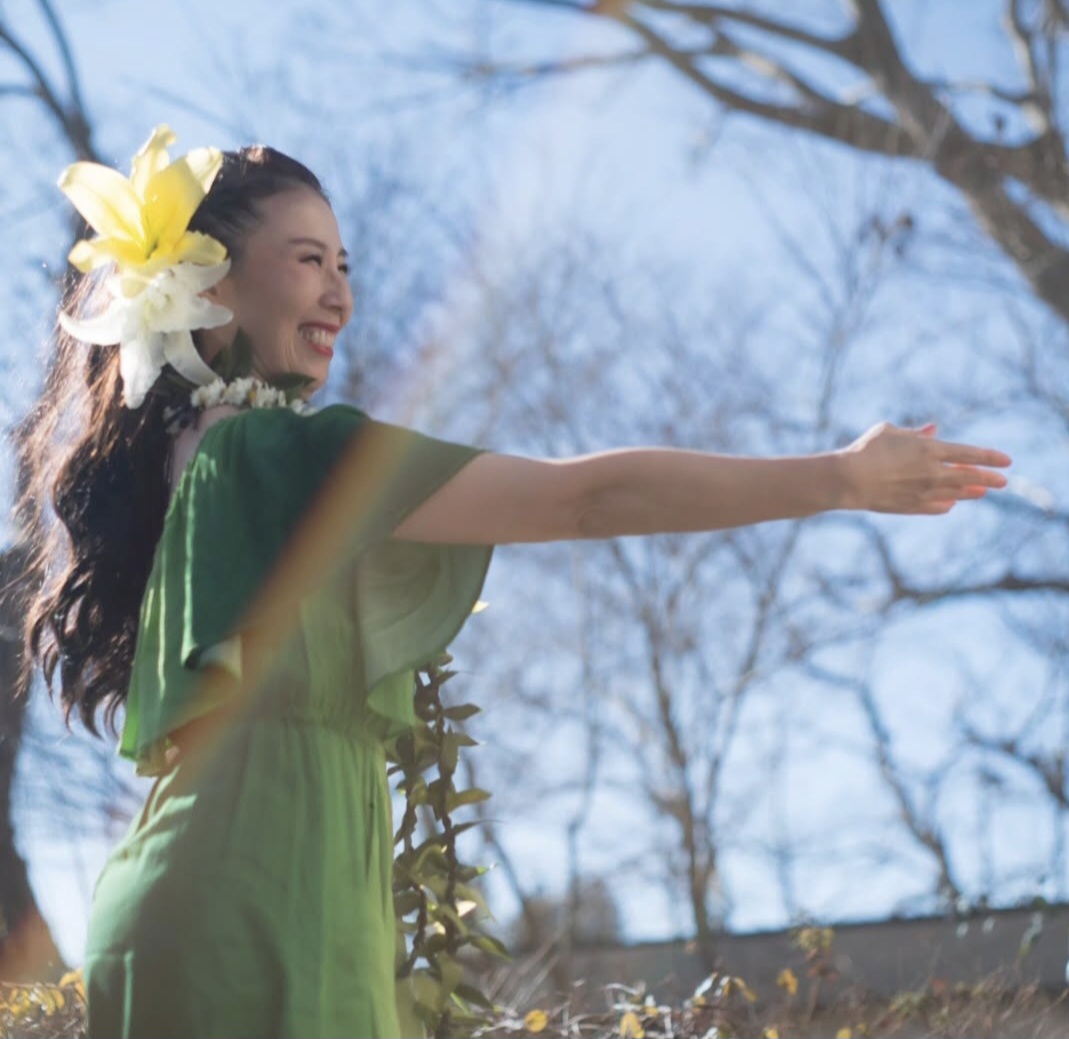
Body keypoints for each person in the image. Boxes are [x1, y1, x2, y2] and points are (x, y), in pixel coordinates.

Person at [16, 127, 1011, 1039]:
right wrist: (834, 476)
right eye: (308, 259)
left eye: (345, 264)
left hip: (208, 888)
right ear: (213, 289)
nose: (340, 292)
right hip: (262, 893)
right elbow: (586, 500)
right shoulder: (285, 456)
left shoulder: (190, 458)